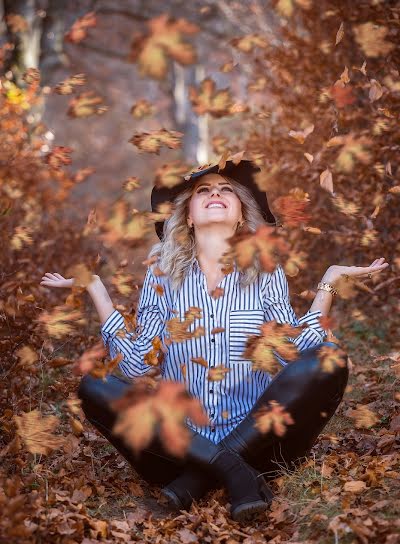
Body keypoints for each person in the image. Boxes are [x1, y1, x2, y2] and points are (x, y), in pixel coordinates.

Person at [40, 158, 389, 523]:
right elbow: (136, 364)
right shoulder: (162, 275)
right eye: (203, 191)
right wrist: (97, 289)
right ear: (188, 216)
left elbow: (296, 353)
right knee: (95, 385)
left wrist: (328, 282)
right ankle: (226, 468)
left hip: (262, 446)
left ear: (241, 214)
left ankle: (206, 477)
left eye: (226, 190)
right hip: (177, 453)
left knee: (327, 357)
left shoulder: (265, 272)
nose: (215, 194)